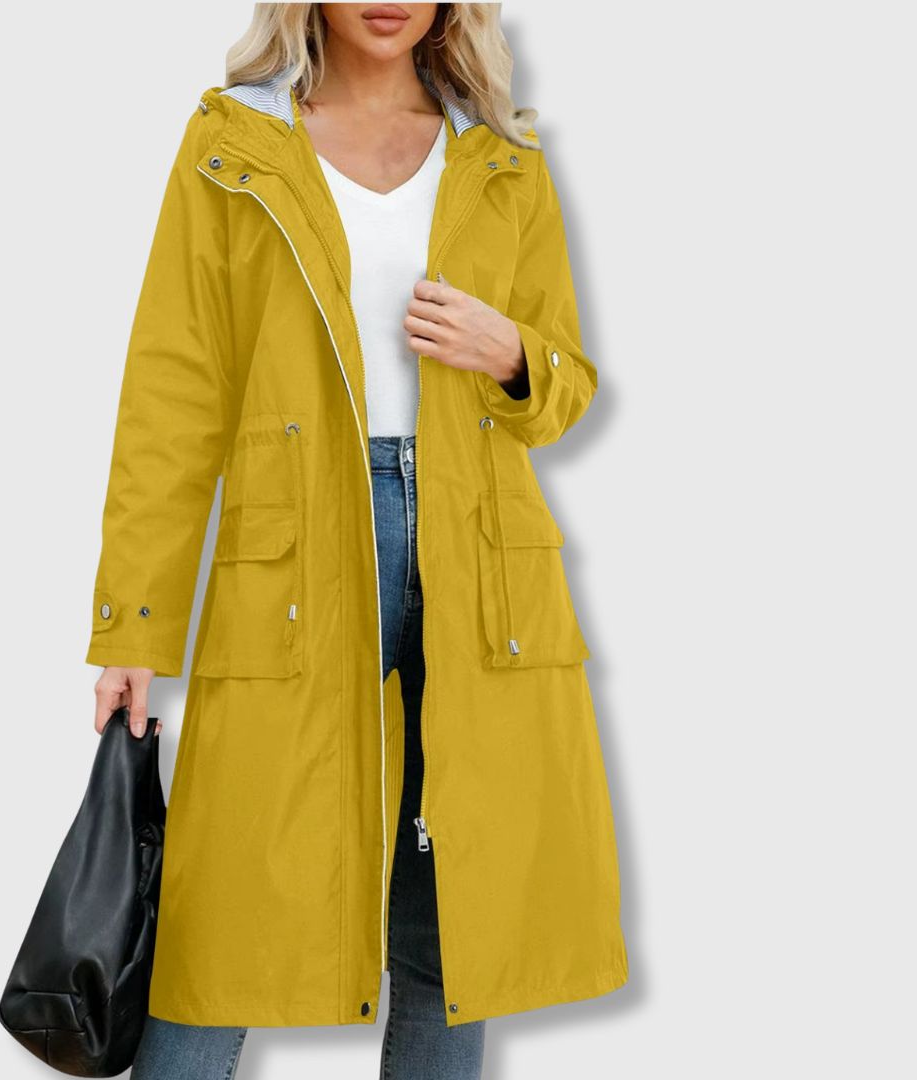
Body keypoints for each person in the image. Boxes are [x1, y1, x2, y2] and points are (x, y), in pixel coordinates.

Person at [86, 4, 628, 1078]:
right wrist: (133, 624)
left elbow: (564, 388)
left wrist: (513, 352)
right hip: (294, 554)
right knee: (227, 914)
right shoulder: (234, 144)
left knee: (454, 919)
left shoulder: (503, 156)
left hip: (480, 553)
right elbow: (173, 395)